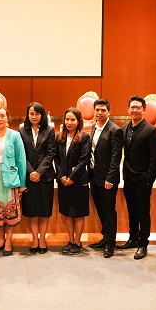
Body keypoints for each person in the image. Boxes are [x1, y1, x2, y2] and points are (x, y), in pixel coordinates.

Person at [120, 96, 156, 259]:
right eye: (132, 107)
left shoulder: (151, 130)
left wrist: (149, 178)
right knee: (132, 209)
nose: (135, 110)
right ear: (128, 110)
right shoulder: (125, 127)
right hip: (128, 176)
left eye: (138, 107)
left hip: (143, 178)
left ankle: (143, 244)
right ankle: (133, 238)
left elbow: (155, 157)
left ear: (144, 110)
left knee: (143, 211)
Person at [0, 106, 26, 256]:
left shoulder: (15, 136)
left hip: (10, 179)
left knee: (10, 212)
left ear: (8, 118)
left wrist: (22, 183)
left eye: (2, 116)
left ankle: (9, 240)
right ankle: (1, 240)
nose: (0, 119)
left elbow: (21, 160)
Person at [87, 98, 123, 258]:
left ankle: (110, 243)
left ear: (109, 112)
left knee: (109, 211)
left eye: (103, 110)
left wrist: (110, 178)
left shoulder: (115, 130)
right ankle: (105, 237)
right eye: (97, 110)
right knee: (100, 209)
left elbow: (116, 157)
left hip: (108, 179)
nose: (99, 113)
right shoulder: (93, 127)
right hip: (94, 176)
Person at [19, 102, 56, 254]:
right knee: (32, 210)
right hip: (29, 176)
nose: (34, 116)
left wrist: (39, 172)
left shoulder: (50, 130)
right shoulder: (22, 130)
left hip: (45, 176)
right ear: (28, 115)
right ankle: (35, 239)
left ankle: (42, 239)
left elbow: (51, 153)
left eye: (37, 113)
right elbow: (22, 154)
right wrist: (31, 172)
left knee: (44, 210)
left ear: (42, 115)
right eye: (31, 113)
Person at [54, 107, 91, 256]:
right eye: (67, 119)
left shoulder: (84, 137)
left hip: (78, 182)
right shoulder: (59, 137)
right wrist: (61, 176)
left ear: (78, 121)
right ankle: (70, 240)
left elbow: (84, 160)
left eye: (72, 120)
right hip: (63, 182)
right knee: (67, 213)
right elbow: (56, 159)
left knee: (78, 214)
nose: (69, 122)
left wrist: (72, 178)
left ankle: (77, 242)